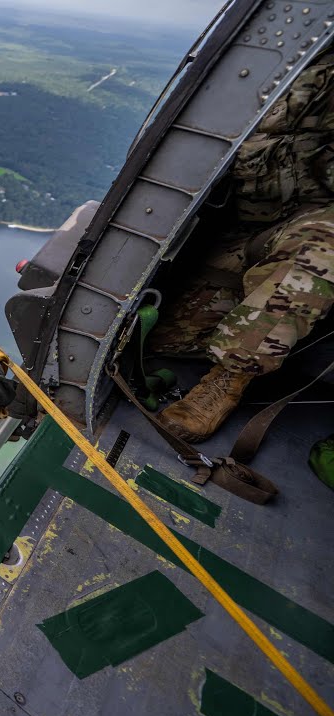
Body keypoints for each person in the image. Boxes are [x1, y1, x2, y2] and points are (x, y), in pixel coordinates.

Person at [150, 56, 334, 442]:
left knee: (323, 243)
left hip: (299, 238)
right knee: (167, 340)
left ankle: (227, 380)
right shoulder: (296, 67)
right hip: (237, 242)